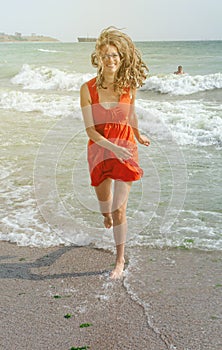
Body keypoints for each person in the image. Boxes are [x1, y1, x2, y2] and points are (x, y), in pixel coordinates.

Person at [80, 26, 150, 279]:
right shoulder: (87, 89)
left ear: (121, 59)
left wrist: (137, 135)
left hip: (126, 149)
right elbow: (90, 132)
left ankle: (119, 260)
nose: (111, 60)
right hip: (100, 150)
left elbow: (131, 114)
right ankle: (106, 215)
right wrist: (113, 149)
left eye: (115, 56)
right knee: (105, 205)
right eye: (106, 55)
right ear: (98, 57)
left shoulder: (129, 86)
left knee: (120, 209)